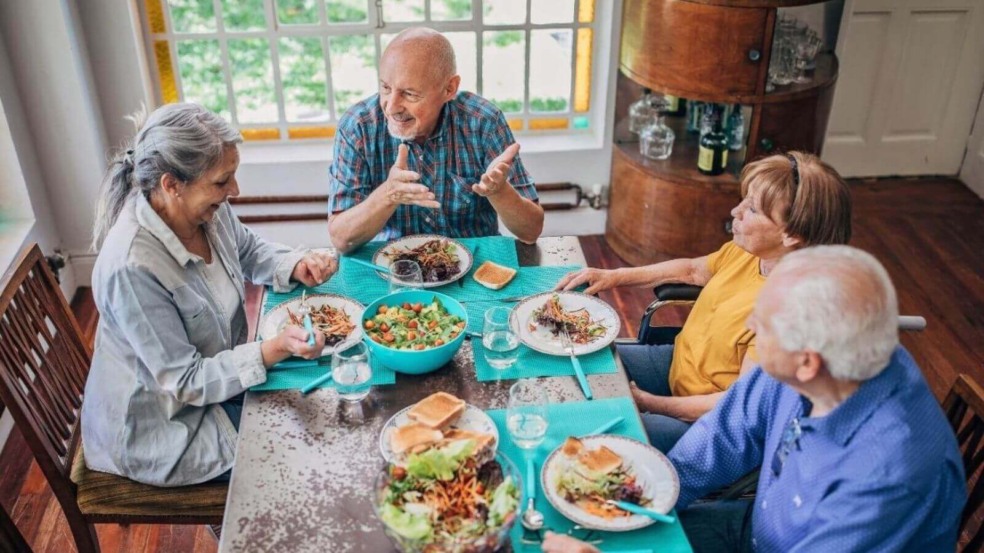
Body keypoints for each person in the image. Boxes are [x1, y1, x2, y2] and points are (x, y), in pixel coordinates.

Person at [543, 245, 966, 553]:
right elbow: (722, 438)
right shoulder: (826, 355)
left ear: (807, 363)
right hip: (756, 526)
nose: (749, 325)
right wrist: (637, 500)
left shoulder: (889, 479)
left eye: (762, 324)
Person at [82, 103, 337, 486]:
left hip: (217, 386)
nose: (234, 190)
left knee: (320, 407)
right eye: (222, 182)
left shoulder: (202, 211)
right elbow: (186, 381)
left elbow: (247, 249)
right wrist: (276, 347)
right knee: (303, 455)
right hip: (166, 427)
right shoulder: (132, 268)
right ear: (172, 185)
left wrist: (295, 264)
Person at [555, 152, 852, 451]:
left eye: (751, 209)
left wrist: (650, 403)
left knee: (593, 431)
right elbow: (693, 269)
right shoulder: (750, 253)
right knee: (579, 358)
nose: (735, 211)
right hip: (677, 366)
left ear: (792, 234)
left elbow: (736, 404)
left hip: (705, 424)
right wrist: (614, 276)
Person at [327, 27, 544, 253]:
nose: (391, 107)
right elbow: (342, 240)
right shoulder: (358, 127)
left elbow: (531, 231)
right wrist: (387, 195)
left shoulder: (483, 122)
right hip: (390, 268)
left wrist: (500, 192)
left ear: (449, 89)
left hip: (475, 268)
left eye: (410, 94)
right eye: (386, 88)